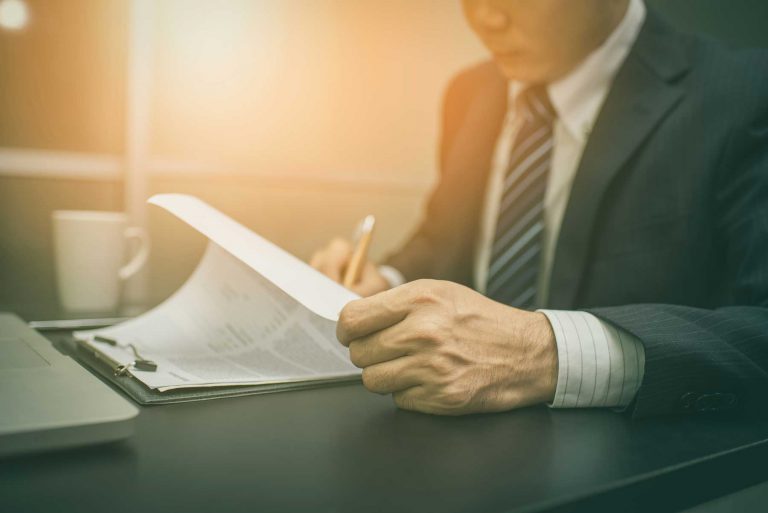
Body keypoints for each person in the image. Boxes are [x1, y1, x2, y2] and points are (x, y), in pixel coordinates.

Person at [310, 0, 768, 418]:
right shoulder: (469, 92)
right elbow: (444, 241)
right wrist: (385, 282)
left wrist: (544, 353)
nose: (485, 17)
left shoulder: (746, 94)